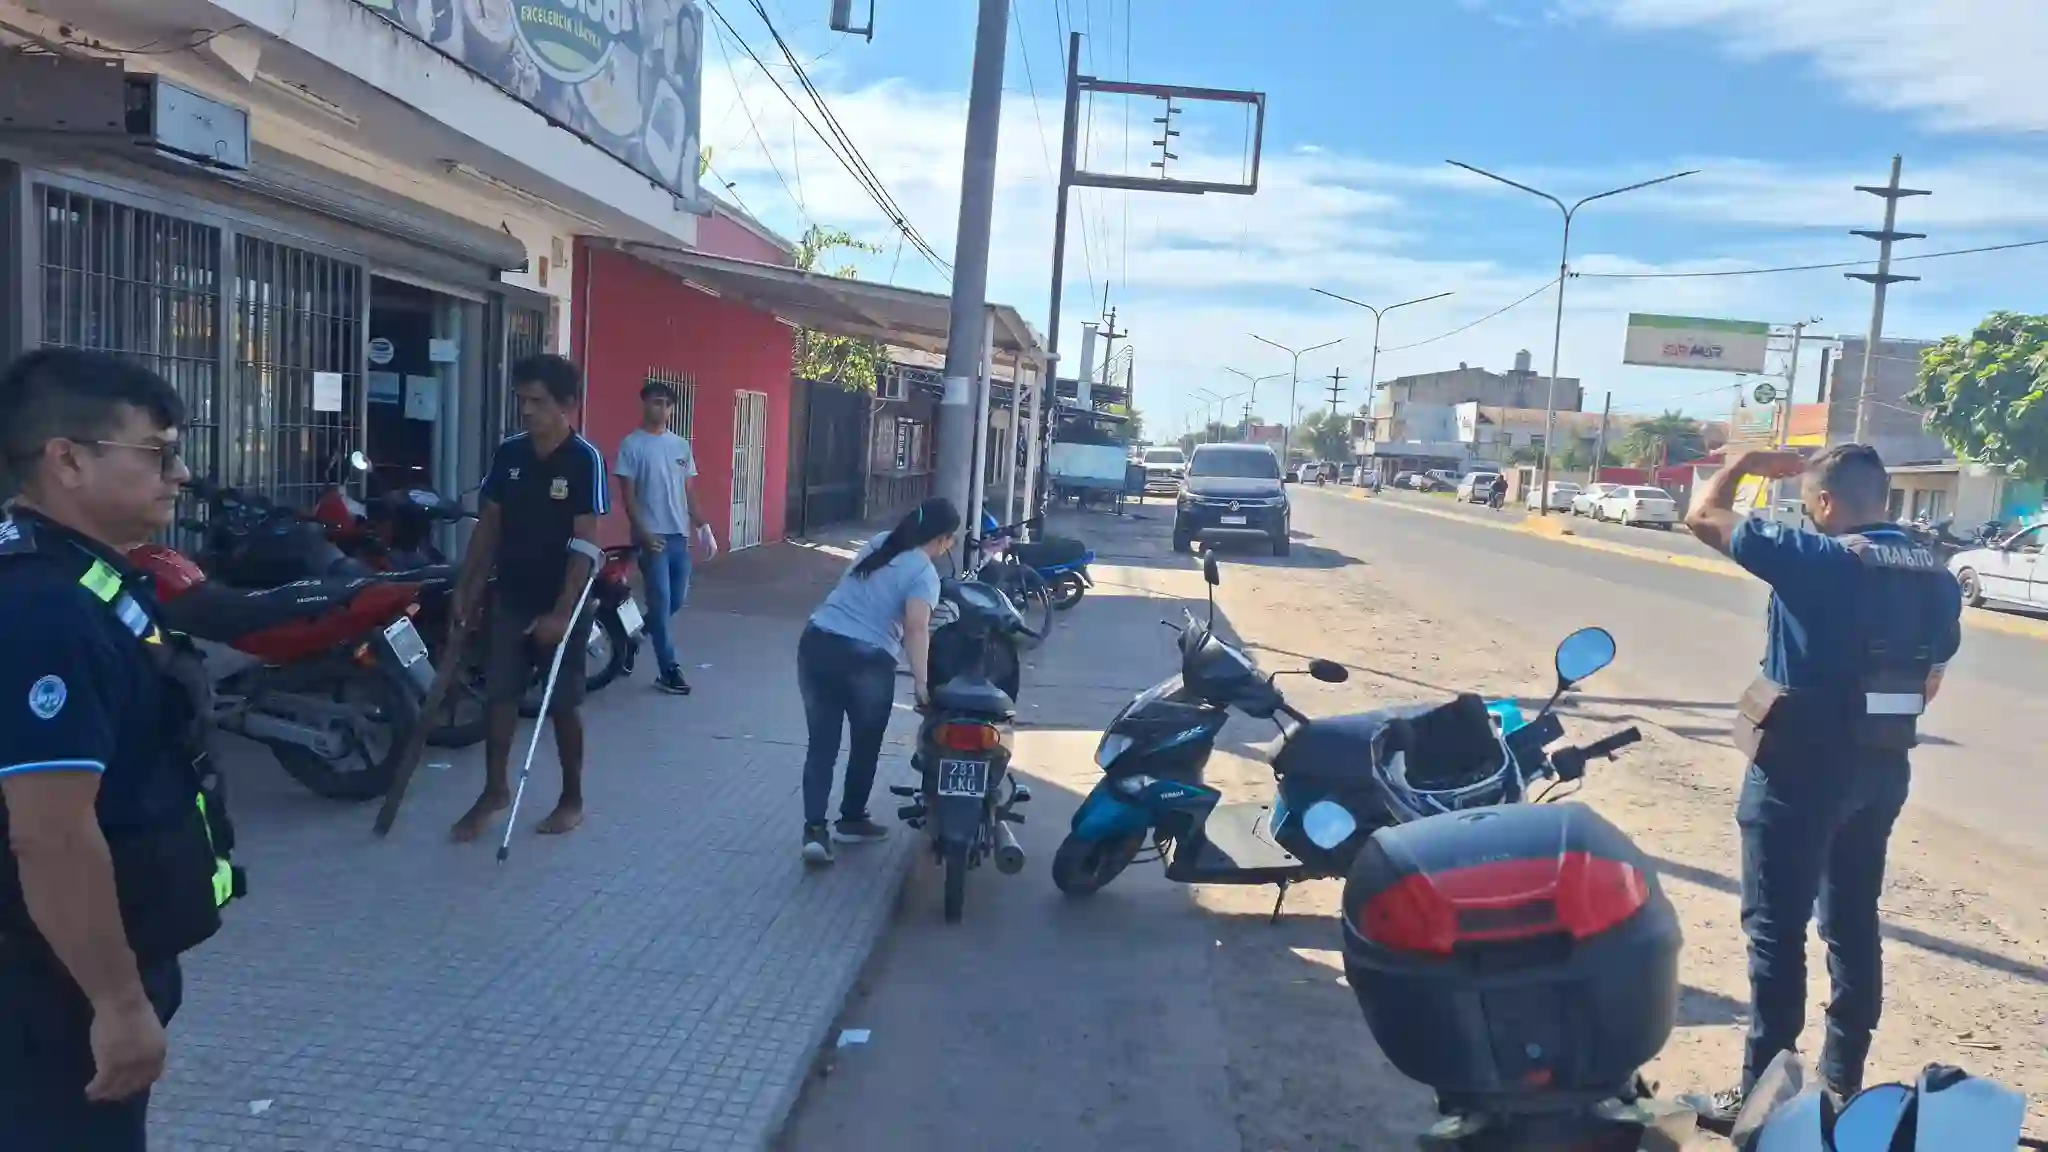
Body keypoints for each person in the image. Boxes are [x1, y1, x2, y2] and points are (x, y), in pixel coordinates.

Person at [0, 348, 243, 1150]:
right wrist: (117, 1002)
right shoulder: (44, 607)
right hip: (50, 988)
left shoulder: (82, 574)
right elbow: (52, 834)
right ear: (67, 460)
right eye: (158, 454)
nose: (180, 475)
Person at [1684, 444, 1962, 1118]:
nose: (1808, 517)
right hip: (1881, 772)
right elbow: (1929, 681)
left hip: (1799, 773)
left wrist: (1744, 463)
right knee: (1853, 923)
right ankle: (1841, 1087)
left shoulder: (1818, 559)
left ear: (1828, 502)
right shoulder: (1938, 577)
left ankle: (1763, 1097)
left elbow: (1703, 515)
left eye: (1811, 505)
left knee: (1776, 931)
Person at [449, 354, 610, 842]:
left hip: (564, 600)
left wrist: (561, 613)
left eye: (537, 401)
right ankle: (494, 789)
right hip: (511, 594)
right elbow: (489, 528)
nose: (526, 410)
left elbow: (586, 543)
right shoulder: (510, 454)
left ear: (567, 404)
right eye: (522, 400)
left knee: (563, 703)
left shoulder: (585, 459)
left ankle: (572, 798)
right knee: (500, 694)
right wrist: (466, 588)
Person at [797, 497, 961, 866]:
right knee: (865, 743)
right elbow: (917, 629)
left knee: (822, 745)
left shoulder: (880, 542)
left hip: (817, 641)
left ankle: (815, 832)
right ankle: (851, 819)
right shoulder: (924, 575)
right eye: (952, 540)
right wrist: (922, 684)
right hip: (866, 658)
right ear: (942, 539)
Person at [613, 379, 701, 696]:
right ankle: (669, 670)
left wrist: (700, 523)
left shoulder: (680, 446)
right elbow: (628, 498)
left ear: (672, 409)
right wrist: (643, 533)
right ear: (644, 404)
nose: (661, 408)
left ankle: (631, 637)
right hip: (651, 537)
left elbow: (687, 491)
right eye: (655, 401)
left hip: (679, 536)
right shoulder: (632, 445)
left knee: (675, 601)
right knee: (661, 601)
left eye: (666, 403)